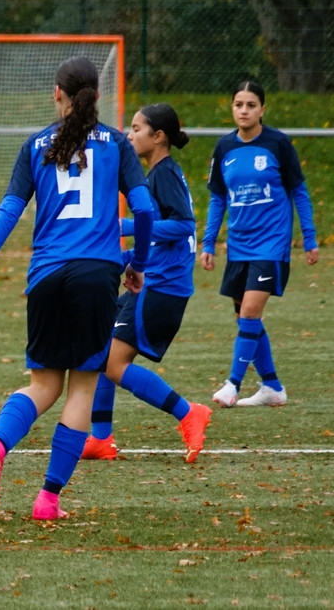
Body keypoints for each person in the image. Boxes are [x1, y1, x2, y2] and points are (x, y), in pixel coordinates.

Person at [0, 56, 154, 520]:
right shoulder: (118, 146)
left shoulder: (34, 145)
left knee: (43, 383)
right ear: (98, 97)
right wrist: (138, 263)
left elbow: (8, 211)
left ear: (57, 93)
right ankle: (48, 500)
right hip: (96, 275)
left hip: (45, 275)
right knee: (82, 387)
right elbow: (145, 211)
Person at [82, 104, 212, 463]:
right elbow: (160, 239)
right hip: (155, 281)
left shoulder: (163, 174)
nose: (130, 134)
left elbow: (184, 225)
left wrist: (126, 227)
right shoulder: (157, 175)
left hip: (161, 288)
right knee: (103, 353)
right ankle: (99, 438)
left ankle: (189, 413)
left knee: (112, 363)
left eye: (137, 128)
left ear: (159, 137)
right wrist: (119, 258)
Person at [202, 81, 319, 408]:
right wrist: (208, 241)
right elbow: (218, 198)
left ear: (262, 110)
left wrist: (309, 238)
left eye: (251, 105)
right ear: (232, 108)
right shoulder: (224, 147)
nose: (244, 110)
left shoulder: (278, 143)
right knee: (244, 316)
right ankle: (272, 387)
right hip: (238, 246)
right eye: (239, 104)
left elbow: (299, 192)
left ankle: (232, 384)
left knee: (251, 310)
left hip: (271, 245)